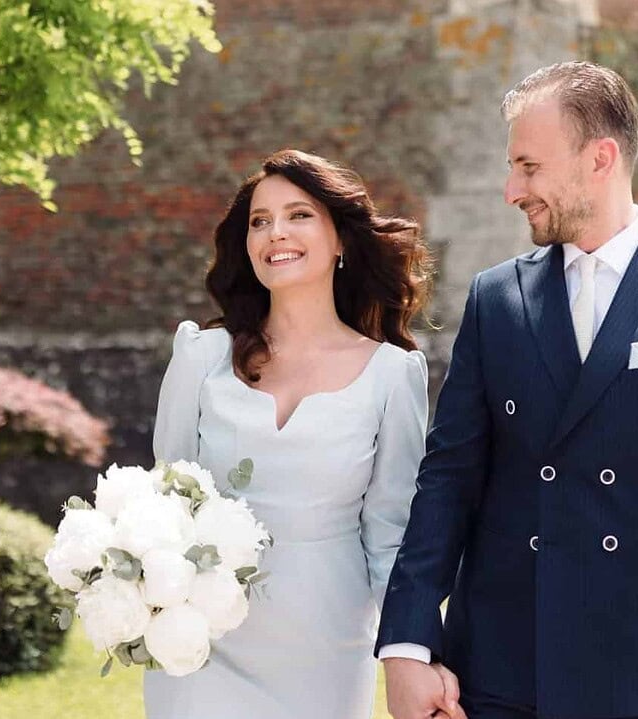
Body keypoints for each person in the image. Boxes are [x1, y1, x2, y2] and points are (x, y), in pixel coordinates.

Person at [378, 61, 638, 719]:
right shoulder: (497, 297)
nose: (511, 190)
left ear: (600, 158)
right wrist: (407, 640)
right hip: (496, 674)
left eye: (529, 167)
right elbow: (448, 478)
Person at [145, 149, 436, 718]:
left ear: (341, 239)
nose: (275, 232)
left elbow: (390, 535)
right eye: (260, 221)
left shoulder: (392, 375)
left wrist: (412, 652)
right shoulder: (201, 356)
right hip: (202, 643)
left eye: (298, 215)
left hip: (326, 647)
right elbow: (165, 503)